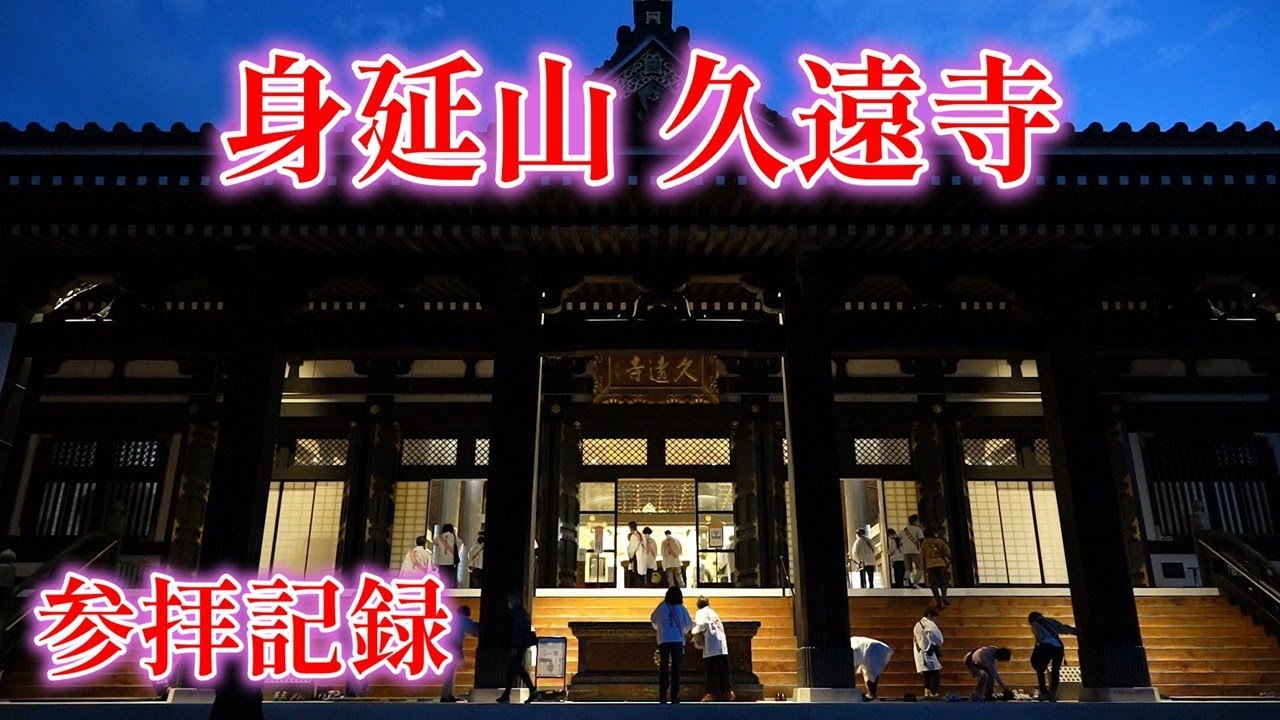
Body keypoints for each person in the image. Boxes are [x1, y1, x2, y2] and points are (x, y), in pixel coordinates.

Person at [650, 585, 693, 703]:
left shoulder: (661, 607)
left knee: (663, 667)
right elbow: (688, 624)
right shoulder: (681, 608)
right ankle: (675, 695)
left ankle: (663, 695)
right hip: (677, 640)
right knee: (676, 668)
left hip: (664, 640)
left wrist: (662, 628)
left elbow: (653, 620)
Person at [496, 593, 541, 704]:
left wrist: (514, 645)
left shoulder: (516, 613)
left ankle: (530, 691)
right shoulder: (523, 612)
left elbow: (517, 630)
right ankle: (508, 694)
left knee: (516, 668)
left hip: (519, 644)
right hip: (522, 644)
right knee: (514, 669)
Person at [1028, 612, 1077, 702]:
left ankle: (1044, 692)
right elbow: (1063, 628)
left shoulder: (1035, 624)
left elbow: (1040, 637)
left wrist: (1038, 648)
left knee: (1040, 669)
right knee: (1055, 670)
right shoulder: (1050, 620)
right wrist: (1077, 632)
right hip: (1059, 647)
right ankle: (1053, 692)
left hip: (1046, 646)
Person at [692, 596, 734, 702]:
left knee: (711, 671)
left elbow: (702, 624)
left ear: (698, 605)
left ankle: (710, 694)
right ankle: (728, 692)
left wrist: (693, 631)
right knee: (723, 670)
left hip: (711, 644)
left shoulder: (701, 612)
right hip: (721, 644)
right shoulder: (713, 612)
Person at [440, 605, 480, 702]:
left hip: (446, 646)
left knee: (451, 671)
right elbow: (473, 630)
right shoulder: (463, 619)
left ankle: (449, 694)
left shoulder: (453, 619)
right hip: (454, 647)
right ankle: (445, 695)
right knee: (450, 672)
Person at [850, 636, 894, 701]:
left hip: (872, 648)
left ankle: (871, 694)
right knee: (870, 673)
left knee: (871, 674)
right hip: (873, 648)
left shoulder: (852, 646)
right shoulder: (853, 644)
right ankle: (871, 694)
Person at [913, 606, 944, 699]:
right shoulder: (928, 624)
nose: (935, 620)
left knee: (926, 672)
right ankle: (933, 692)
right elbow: (937, 637)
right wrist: (938, 643)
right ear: (930, 615)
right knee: (935, 671)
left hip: (920, 650)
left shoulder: (917, 624)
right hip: (928, 650)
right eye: (934, 617)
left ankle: (927, 691)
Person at [920, 528, 952, 609]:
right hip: (940, 564)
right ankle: (944, 596)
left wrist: (923, 567)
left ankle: (938, 601)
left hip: (930, 565)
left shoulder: (924, 543)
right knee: (943, 582)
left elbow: (922, 556)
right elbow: (947, 552)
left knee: (933, 584)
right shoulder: (940, 541)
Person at [901, 515, 926, 588]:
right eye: (918, 521)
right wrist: (921, 550)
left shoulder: (904, 530)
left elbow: (897, 537)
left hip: (905, 551)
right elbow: (922, 540)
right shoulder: (918, 529)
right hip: (915, 551)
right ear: (915, 521)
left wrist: (900, 547)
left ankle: (905, 582)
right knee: (919, 567)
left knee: (908, 568)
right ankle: (916, 583)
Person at [434, 523, 459, 588]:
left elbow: (434, 543)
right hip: (451, 560)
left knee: (442, 576)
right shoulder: (454, 537)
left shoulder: (439, 537)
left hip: (441, 561)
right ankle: (449, 588)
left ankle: (443, 588)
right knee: (450, 576)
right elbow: (460, 543)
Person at [625, 521, 644, 588]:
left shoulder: (634, 536)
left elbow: (632, 548)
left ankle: (636, 586)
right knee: (640, 573)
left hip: (635, 556)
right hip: (640, 556)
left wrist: (630, 556)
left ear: (631, 527)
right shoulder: (640, 535)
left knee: (636, 572)